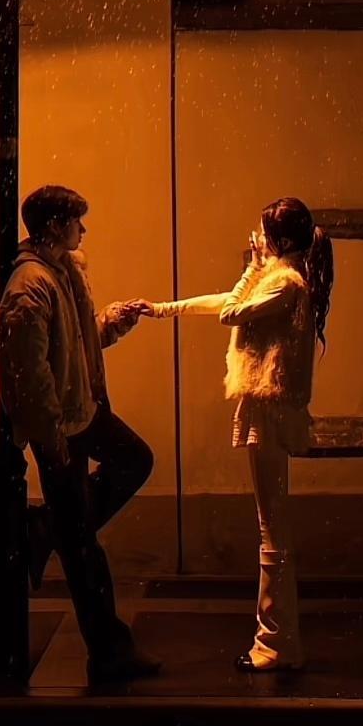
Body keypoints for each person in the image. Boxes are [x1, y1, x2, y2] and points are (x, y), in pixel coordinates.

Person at [145, 197, 333, 672]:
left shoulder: (286, 284)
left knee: (272, 531)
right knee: (272, 527)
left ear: (280, 241)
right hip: (267, 409)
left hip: (270, 412)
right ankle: (275, 640)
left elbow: (232, 312)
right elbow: (228, 303)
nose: (257, 238)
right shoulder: (281, 279)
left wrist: (251, 267)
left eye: (264, 233)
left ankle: (275, 644)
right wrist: (163, 309)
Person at [0, 184, 160, 684]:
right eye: (75, 222)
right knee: (83, 546)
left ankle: (49, 528)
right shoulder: (30, 286)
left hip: (80, 412)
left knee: (129, 468)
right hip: (64, 425)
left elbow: (73, 345)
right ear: (54, 226)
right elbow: (28, 374)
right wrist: (51, 439)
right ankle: (109, 653)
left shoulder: (61, 273)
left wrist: (111, 323)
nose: (83, 230)